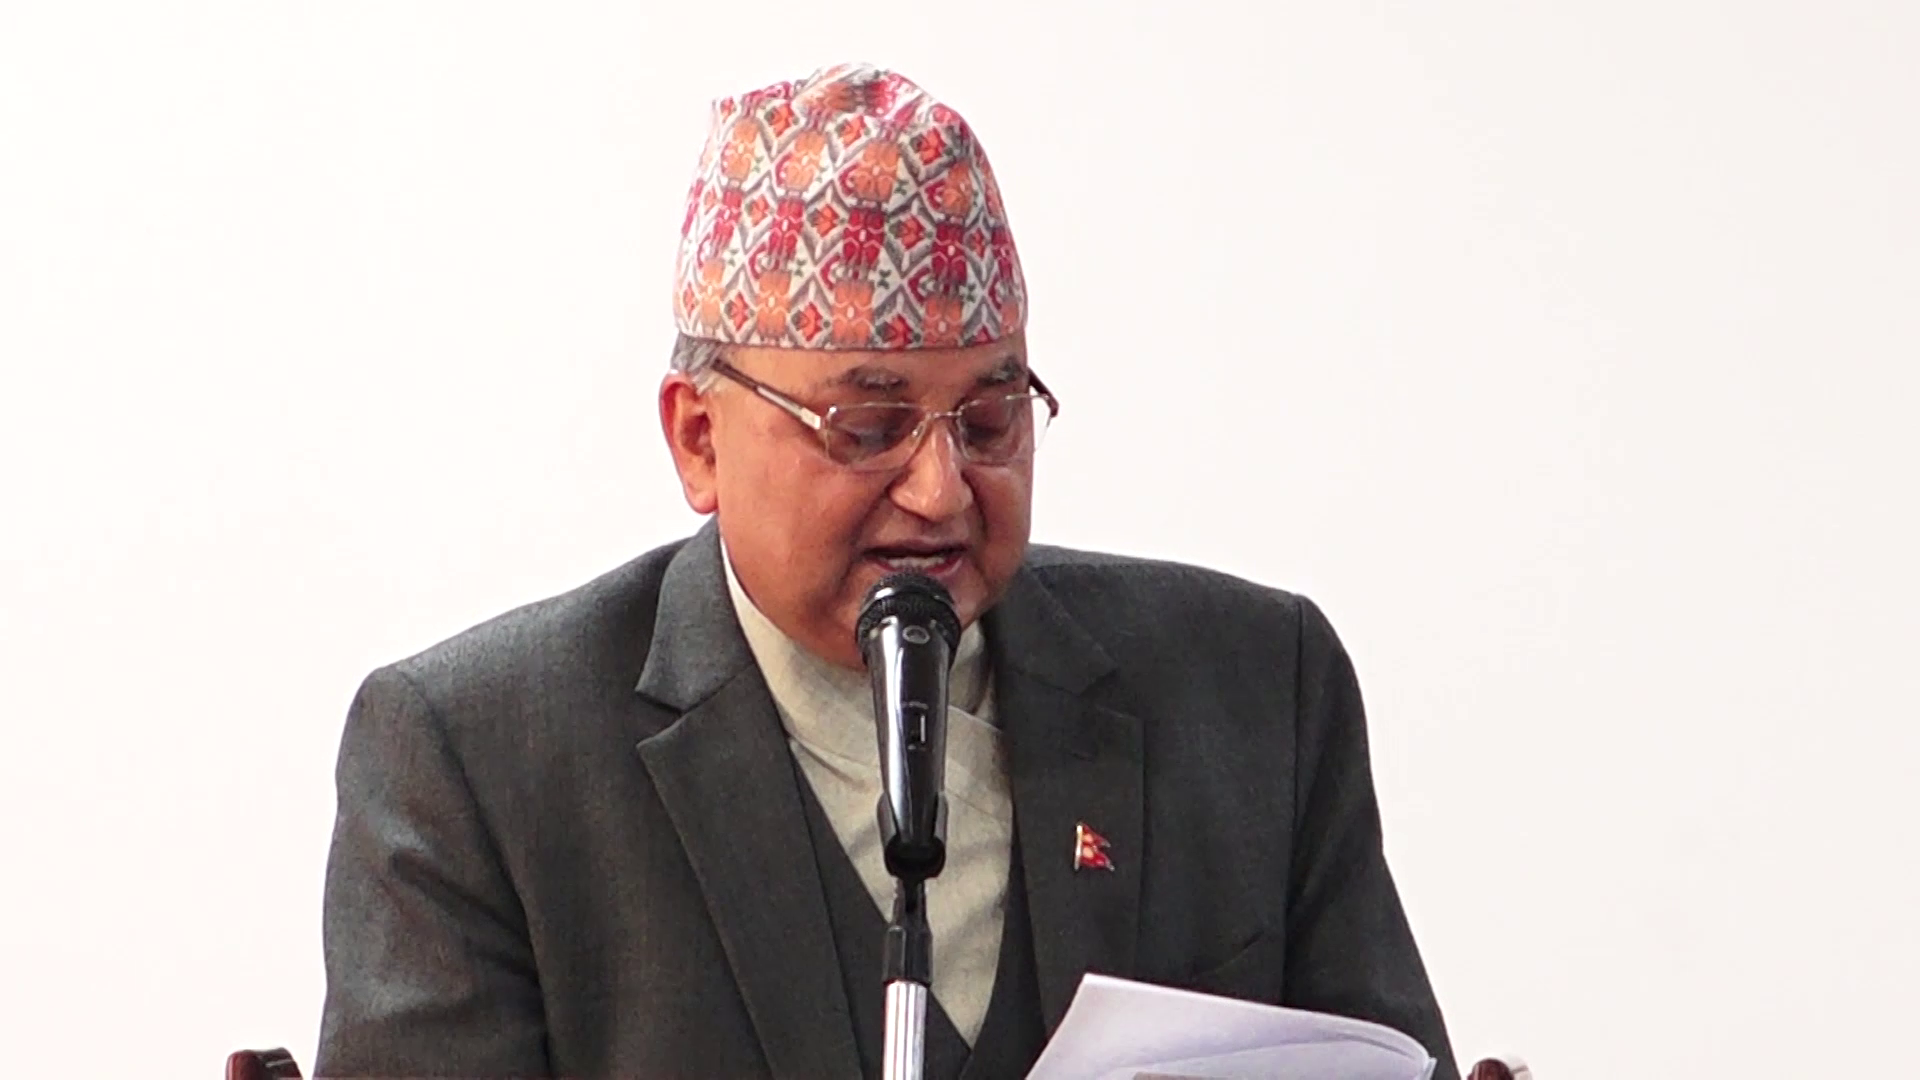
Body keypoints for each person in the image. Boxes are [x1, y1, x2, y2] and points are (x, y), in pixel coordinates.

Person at [317, 62, 1459, 1079]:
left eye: (991, 419)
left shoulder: (1255, 692)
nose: (941, 489)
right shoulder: (479, 762)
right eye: (867, 429)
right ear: (699, 439)